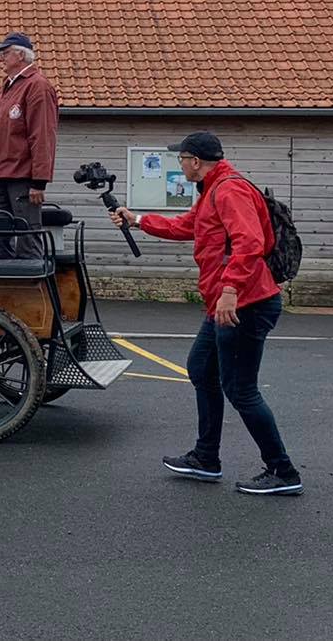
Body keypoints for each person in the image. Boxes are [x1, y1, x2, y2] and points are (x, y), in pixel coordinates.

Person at [111, 131, 303, 497]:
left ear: (195, 161)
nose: (179, 164)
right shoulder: (212, 190)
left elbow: (250, 243)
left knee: (240, 389)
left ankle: (283, 470)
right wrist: (137, 220)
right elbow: (187, 227)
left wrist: (230, 289)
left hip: (245, 303)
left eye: (180, 159)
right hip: (225, 301)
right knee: (201, 369)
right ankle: (206, 458)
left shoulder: (229, 190)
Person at [0, 32, 58, 259]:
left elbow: (42, 135)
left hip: (23, 179)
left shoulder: (38, 87)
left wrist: (39, 182)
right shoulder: (3, 89)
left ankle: (32, 288)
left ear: (21, 55)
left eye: (5, 53)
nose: (0, 59)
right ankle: (3, 287)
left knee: (27, 235)